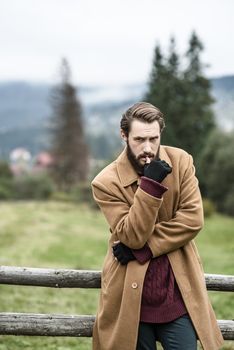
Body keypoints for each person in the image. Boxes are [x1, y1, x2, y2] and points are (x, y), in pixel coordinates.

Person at [91, 102, 224, 350]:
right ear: (124, 135)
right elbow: (131, 236)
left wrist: (144, 249)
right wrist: (149, 186)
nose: (148, 148)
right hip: (129, 297)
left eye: (154, 138)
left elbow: (193, 219)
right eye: (139, 139)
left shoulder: (181, 161)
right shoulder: (105, 182)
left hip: (177, 293)